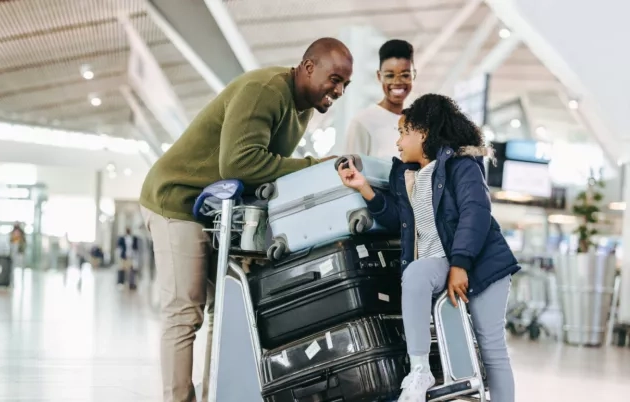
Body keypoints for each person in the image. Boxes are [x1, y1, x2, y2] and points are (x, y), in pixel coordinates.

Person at [139, 37, 353, 402]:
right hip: (177, 199)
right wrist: (314, 167)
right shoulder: (265, 90)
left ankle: (214, 395)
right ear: (308, 67)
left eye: (345, 84)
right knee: (185, 311)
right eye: (334, 79)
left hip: (213, 210)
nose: (339, 90)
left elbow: (260, 173)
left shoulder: (300, 108)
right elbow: (239, 164)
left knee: (223, 312)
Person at [337, 93, 519, 402]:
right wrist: (363, 187)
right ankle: (419, 370)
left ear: (423, 133)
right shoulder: (406, 175)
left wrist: (460, 265)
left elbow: (476, 212)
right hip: (440, 262)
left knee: (491, 347)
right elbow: (398, 219)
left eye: (403, 133)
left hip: (484, 265)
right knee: (417, 273)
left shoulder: (462, 165)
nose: (398, 142)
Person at [343, 39, 415, 159]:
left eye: (405, 75)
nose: (397, 82)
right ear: (379, 76)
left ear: (413, 75)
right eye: (389, 76)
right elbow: (349, 173)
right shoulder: (362, 123)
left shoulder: (418, 122)